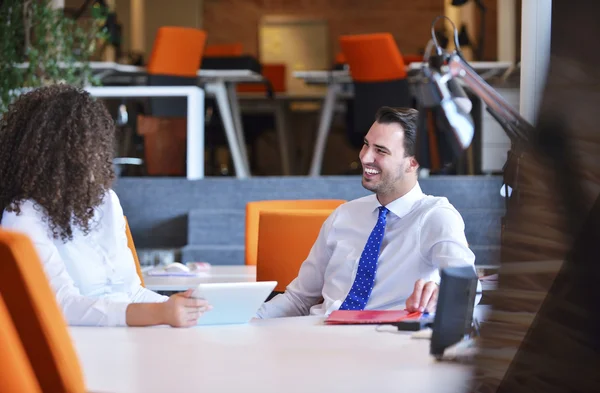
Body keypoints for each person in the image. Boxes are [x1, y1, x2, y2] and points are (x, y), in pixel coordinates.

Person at [0, 84, 210, 328]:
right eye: (84, 149)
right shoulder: (23, 216)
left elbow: (133, 293)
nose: (94, 159)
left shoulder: (105, 202)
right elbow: (60, 305)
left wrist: (178, 308)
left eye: (97, 147)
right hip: (82, 347)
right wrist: (159, 314)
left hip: (129, 339)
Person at [257, 106, 480, 318]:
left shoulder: (434, 216)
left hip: (382, 341)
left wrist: (442, 294)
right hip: (319, 334)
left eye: (380, 150)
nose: (364, 157)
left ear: (413, 163)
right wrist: (244, 318)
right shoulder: (343, 215)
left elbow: (468, 287)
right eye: (366, 145)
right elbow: (298, 300)